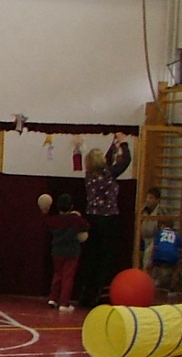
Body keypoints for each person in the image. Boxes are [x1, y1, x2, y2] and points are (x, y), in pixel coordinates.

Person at [78, 134, 132, 308]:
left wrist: (113, 144)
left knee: (91, 256)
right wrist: (123, 143)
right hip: (108, 219)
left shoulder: (89, 175)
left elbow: (105, 162)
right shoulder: (109, 174)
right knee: (106, 258)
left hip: (92, 218)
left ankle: (85, 292)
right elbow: (125, 161)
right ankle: (100, 294)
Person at [40, 193, 89, 312]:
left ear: (57, 206)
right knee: (68, 277)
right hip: (72, 252)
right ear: (71, 206)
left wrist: (44, 212)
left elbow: (46, 224)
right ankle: (64, 303)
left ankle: (53, 299)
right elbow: (87, 226)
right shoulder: (75, 219)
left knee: (57, 275)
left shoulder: (55, 220)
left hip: (57, 251)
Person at [148, 221, 182, 294]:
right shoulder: (177, 235)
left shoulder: (159, 233)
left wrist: (151, 259)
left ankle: (147, 284)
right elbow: (179, 249)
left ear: (163, 225)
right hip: (172, 254)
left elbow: (155, 247)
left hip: (160, 253)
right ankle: (172, 289)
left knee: (150, 267)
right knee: (176, 269)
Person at [139, 187, 161, 269]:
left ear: (157, 200)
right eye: (147, 197)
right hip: (143, 239)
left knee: (148, 255)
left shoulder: (160, 212)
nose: (148, 200)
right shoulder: (143, 210)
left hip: (154, 240)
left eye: (151, 198)